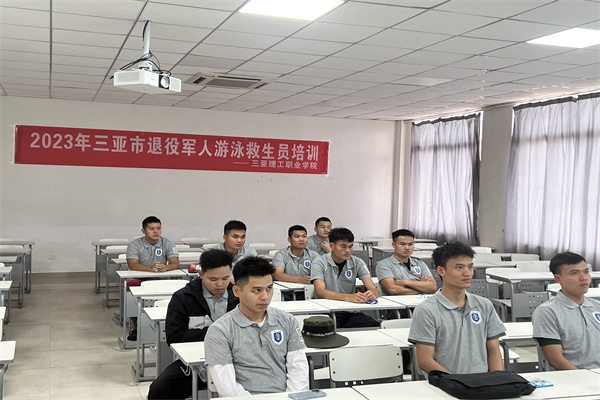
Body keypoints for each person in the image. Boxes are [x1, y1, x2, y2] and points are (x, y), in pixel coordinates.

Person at [204, 257, 309, 397]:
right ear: (236, 291)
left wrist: (290, 398)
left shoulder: (287, 321)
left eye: (269, 288)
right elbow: (227, 387)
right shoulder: (220, 331)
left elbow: (299, 370)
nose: (265, 297)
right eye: (256, 290)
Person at [148, 249, 239, 400]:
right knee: (160, 388)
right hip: (196, 363)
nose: (220, 284)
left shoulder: (239, 296)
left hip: (236, 359)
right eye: (213, 279)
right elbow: (174, 337)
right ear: (201, 274)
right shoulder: (183, 298)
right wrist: (216, 333)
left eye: (225, 278)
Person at [408, 242, 505, 374]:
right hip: (446, 382)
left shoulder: (484, 305)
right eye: (459, 267)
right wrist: (457, 382)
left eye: (470, 267)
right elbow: (425, 361)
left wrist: (497, 379)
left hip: (481, 382)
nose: (467, 273)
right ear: (441, 271)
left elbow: (494, 351)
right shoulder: (427, 310)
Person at [532, 252, 600, 370]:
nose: (583, 278)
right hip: (573, 376)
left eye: (586, 272)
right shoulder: (548, 311)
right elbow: (555, 359)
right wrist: (586, 377)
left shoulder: (597, 306)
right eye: (574, 273)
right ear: (558, 278)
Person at [310, 227, 380, 328]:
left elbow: (373, 289)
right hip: (324, 310)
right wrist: (349, 297)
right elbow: (321, 292)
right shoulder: (319, 262)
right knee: (324, 329)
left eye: (350, 246)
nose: (347, 250)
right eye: (343, 246)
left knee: (372, 326)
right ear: (331, 246)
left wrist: (373, 293)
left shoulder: (357, 262)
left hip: (349, 311)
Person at [126, 216, 179, 341]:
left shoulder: (167, 243)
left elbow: (175, 263)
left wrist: (166, 267)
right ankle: (136, 327)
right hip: (139, 278)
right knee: (130, 288)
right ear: (143, 231)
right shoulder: (134, 245)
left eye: (158, 228)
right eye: (151, 229)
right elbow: (132, 265)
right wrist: (150, 268)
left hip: (161, 278)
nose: (156, 231)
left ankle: (166, 324)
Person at [376, 229, 437, 295]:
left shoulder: (420, 263)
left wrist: (405, 282)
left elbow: (433, 287)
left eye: (410, 244)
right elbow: (393, 290)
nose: (407, 247)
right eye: (402, 244)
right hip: (398, 301)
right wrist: (421, 287)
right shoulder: (384, 265)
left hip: (421, 300)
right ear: (394, 245)